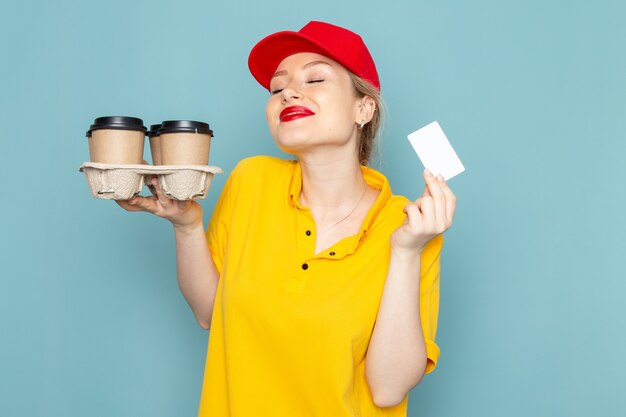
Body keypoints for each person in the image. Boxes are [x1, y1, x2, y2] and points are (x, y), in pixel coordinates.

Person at [118, 20, 456, 417]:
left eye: (315, 79)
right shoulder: (251, 180)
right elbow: (210, 314)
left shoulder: (410, 227)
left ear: (363, 108)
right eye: (277, 88)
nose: (289, 92)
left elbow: (387, 389)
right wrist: (187, 225)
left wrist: (405, 251)